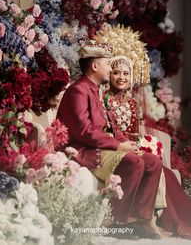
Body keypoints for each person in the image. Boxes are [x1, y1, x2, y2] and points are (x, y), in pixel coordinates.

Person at [56, 40, 167, 239]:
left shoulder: (94, 91)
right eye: (108, 64)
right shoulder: (77, 90)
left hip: (98, 146)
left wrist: (128, 142)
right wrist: (118, 146)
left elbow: (110, 126)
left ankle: (140, 219)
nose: (111, 68)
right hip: (82, 150)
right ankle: (118, 221)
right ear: (95, 65)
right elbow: (84, 131)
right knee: (133, 162)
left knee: (153, 162)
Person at [103, 55, 191, 239]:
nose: (121, 77)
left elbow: (134, 131)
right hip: (114, 149)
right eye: (116, 73)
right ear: (109, 75)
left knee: (164, 171)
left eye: (126, 73)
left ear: (131, 76)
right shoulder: (103, 99)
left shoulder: (132, 103)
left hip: (132, 148)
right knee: (158, 168)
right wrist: (124, 145)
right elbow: (104, 130)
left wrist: (143, 144)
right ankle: (145, 219)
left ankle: (154, 219)